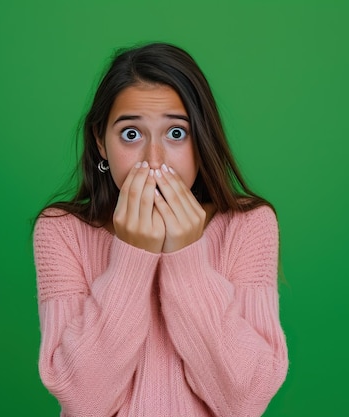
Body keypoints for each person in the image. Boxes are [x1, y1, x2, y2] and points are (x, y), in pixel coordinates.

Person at [32, 42, 288, 417]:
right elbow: (84, 399)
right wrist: (131, 260)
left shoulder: (248, 226)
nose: (154, 161)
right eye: (131, 135)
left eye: (176, 134)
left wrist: (186, 261)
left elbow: (245, 400)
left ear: (202, 141)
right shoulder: (62, 232)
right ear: (100, 141)